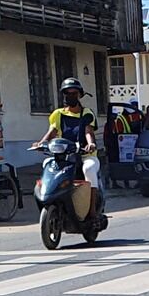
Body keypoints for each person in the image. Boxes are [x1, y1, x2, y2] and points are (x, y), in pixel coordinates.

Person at [34, 76, 103, 206]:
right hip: (64, 156)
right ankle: (51, 200)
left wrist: (91, 144)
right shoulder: (57, 114)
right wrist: (41, 143)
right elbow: (52, 132)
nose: (70, 96)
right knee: (47, 164)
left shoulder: (87, 113)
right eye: (67, 93)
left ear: (80, 95)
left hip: (85, 155)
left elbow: (88, 131)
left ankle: (92, 206)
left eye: (74, 93)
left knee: (88, 168)